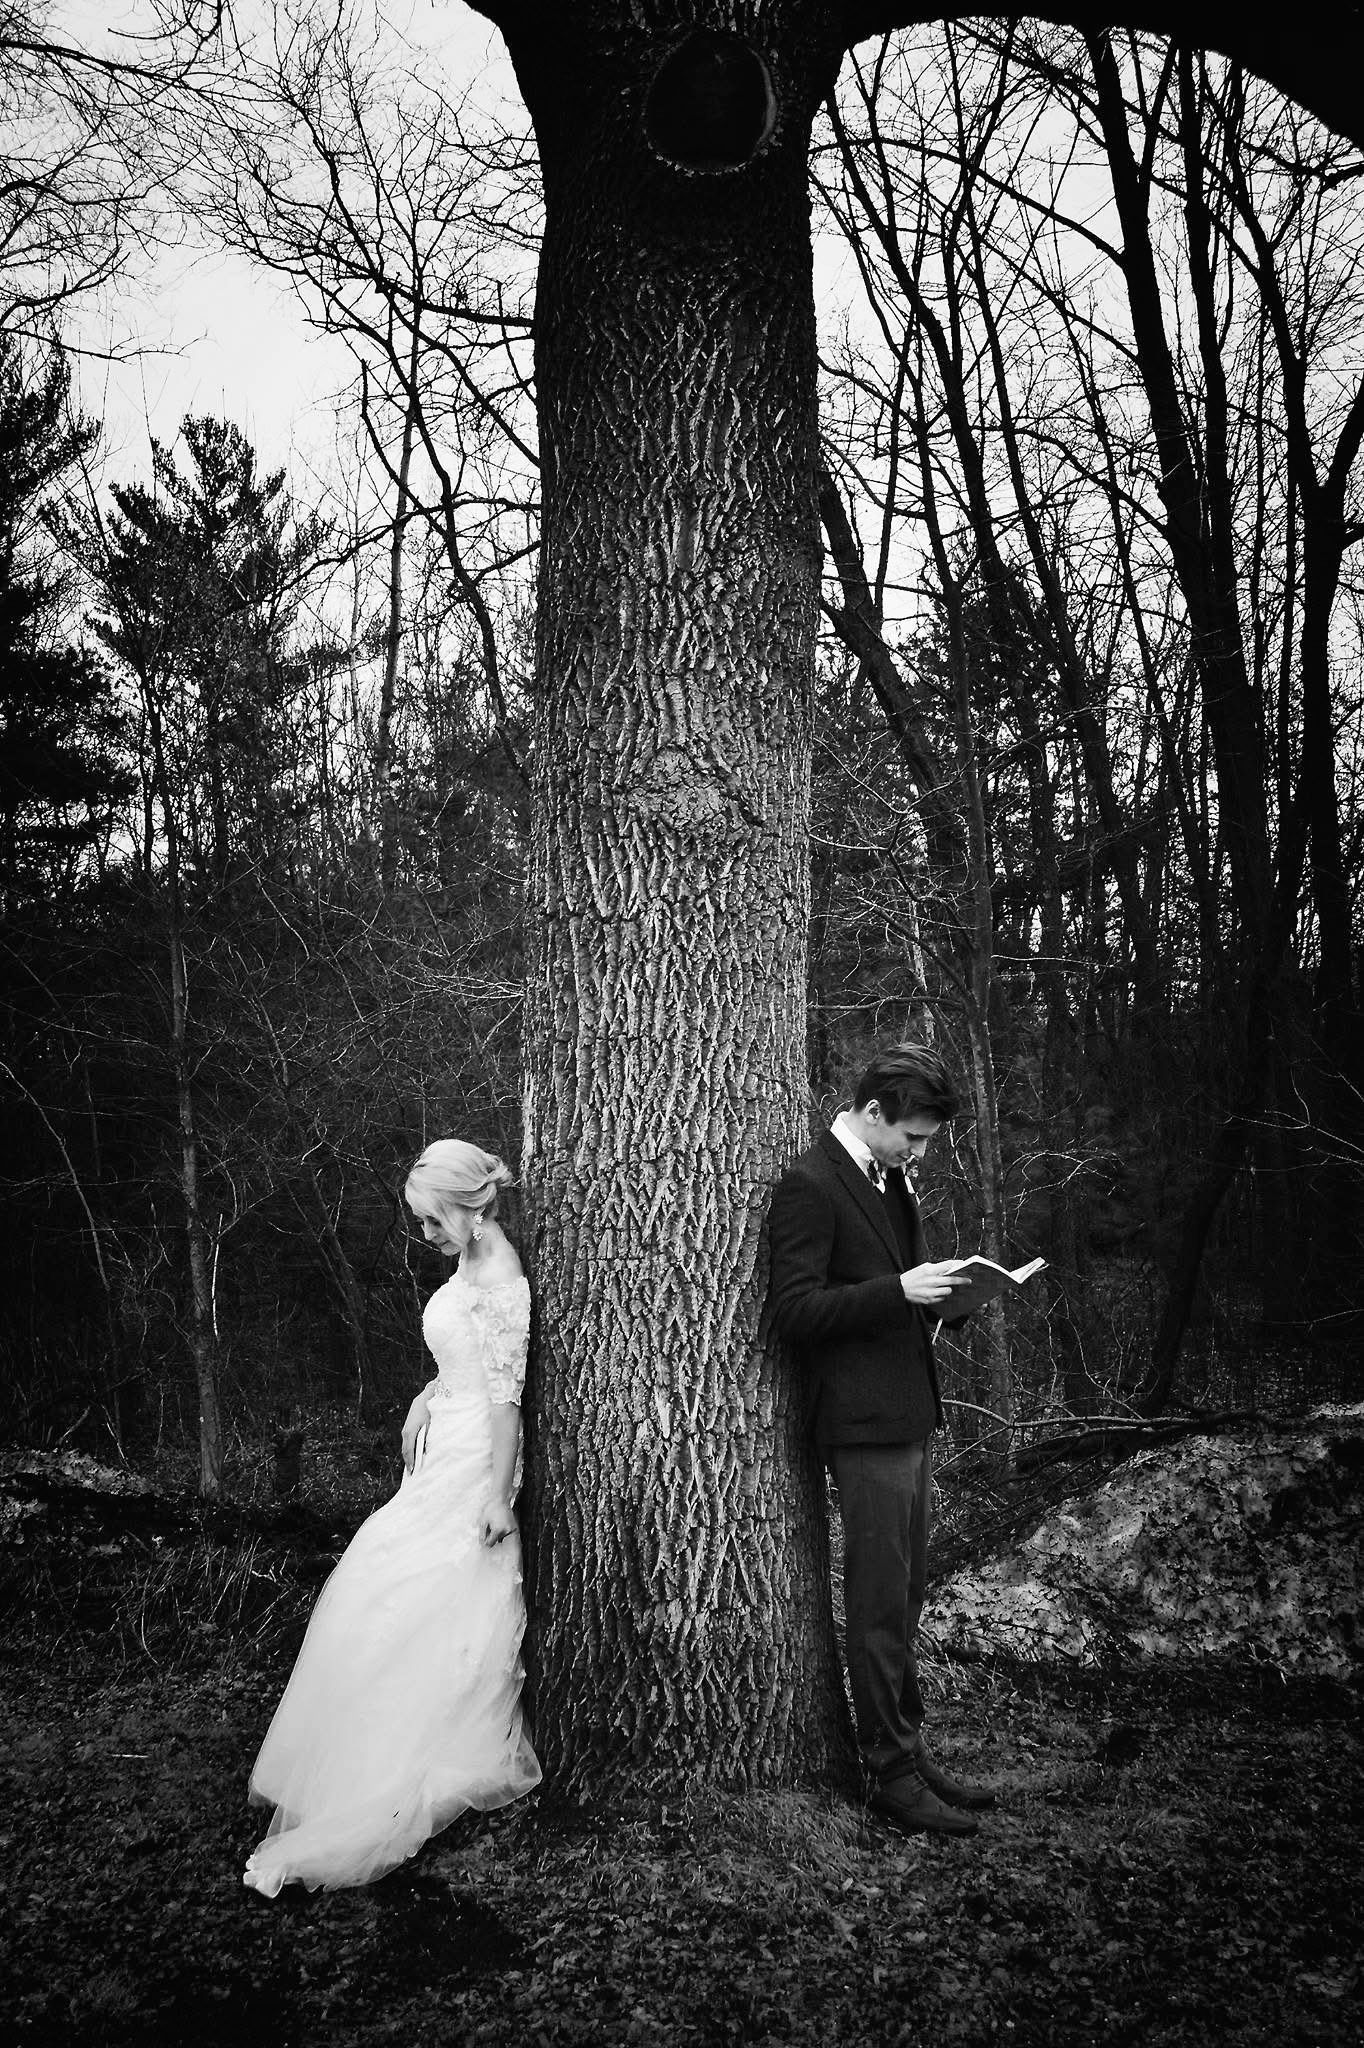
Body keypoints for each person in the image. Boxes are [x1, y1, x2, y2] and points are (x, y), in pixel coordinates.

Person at [242, 1139, 541, 1896]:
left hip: (477, 1460)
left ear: (470, 1212)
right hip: (445, 1441)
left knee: (432, 1593)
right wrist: (424, 1395)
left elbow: (506, 1401)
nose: (426, 1236)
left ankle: (403, 1763)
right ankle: (353, 1754)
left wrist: (497, 1497)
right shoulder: (469, 1262)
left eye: (432, 1222)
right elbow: (462, 1363)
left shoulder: (502, 1275)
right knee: (382, 1584)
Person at [768, 1042, 995, 1838]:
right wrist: (897, 1289)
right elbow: (793, 1310)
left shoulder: (889, 1177)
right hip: (861, 1423)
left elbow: (897, 1286)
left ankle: (910, 1746)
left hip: (910, 1410)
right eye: (916, 1136)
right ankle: (889, 1772)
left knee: (903, 1596)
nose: (922, 1152)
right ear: (872, 1114)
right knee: (873, 1601)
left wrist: (948, 1296)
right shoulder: (810, 1184)